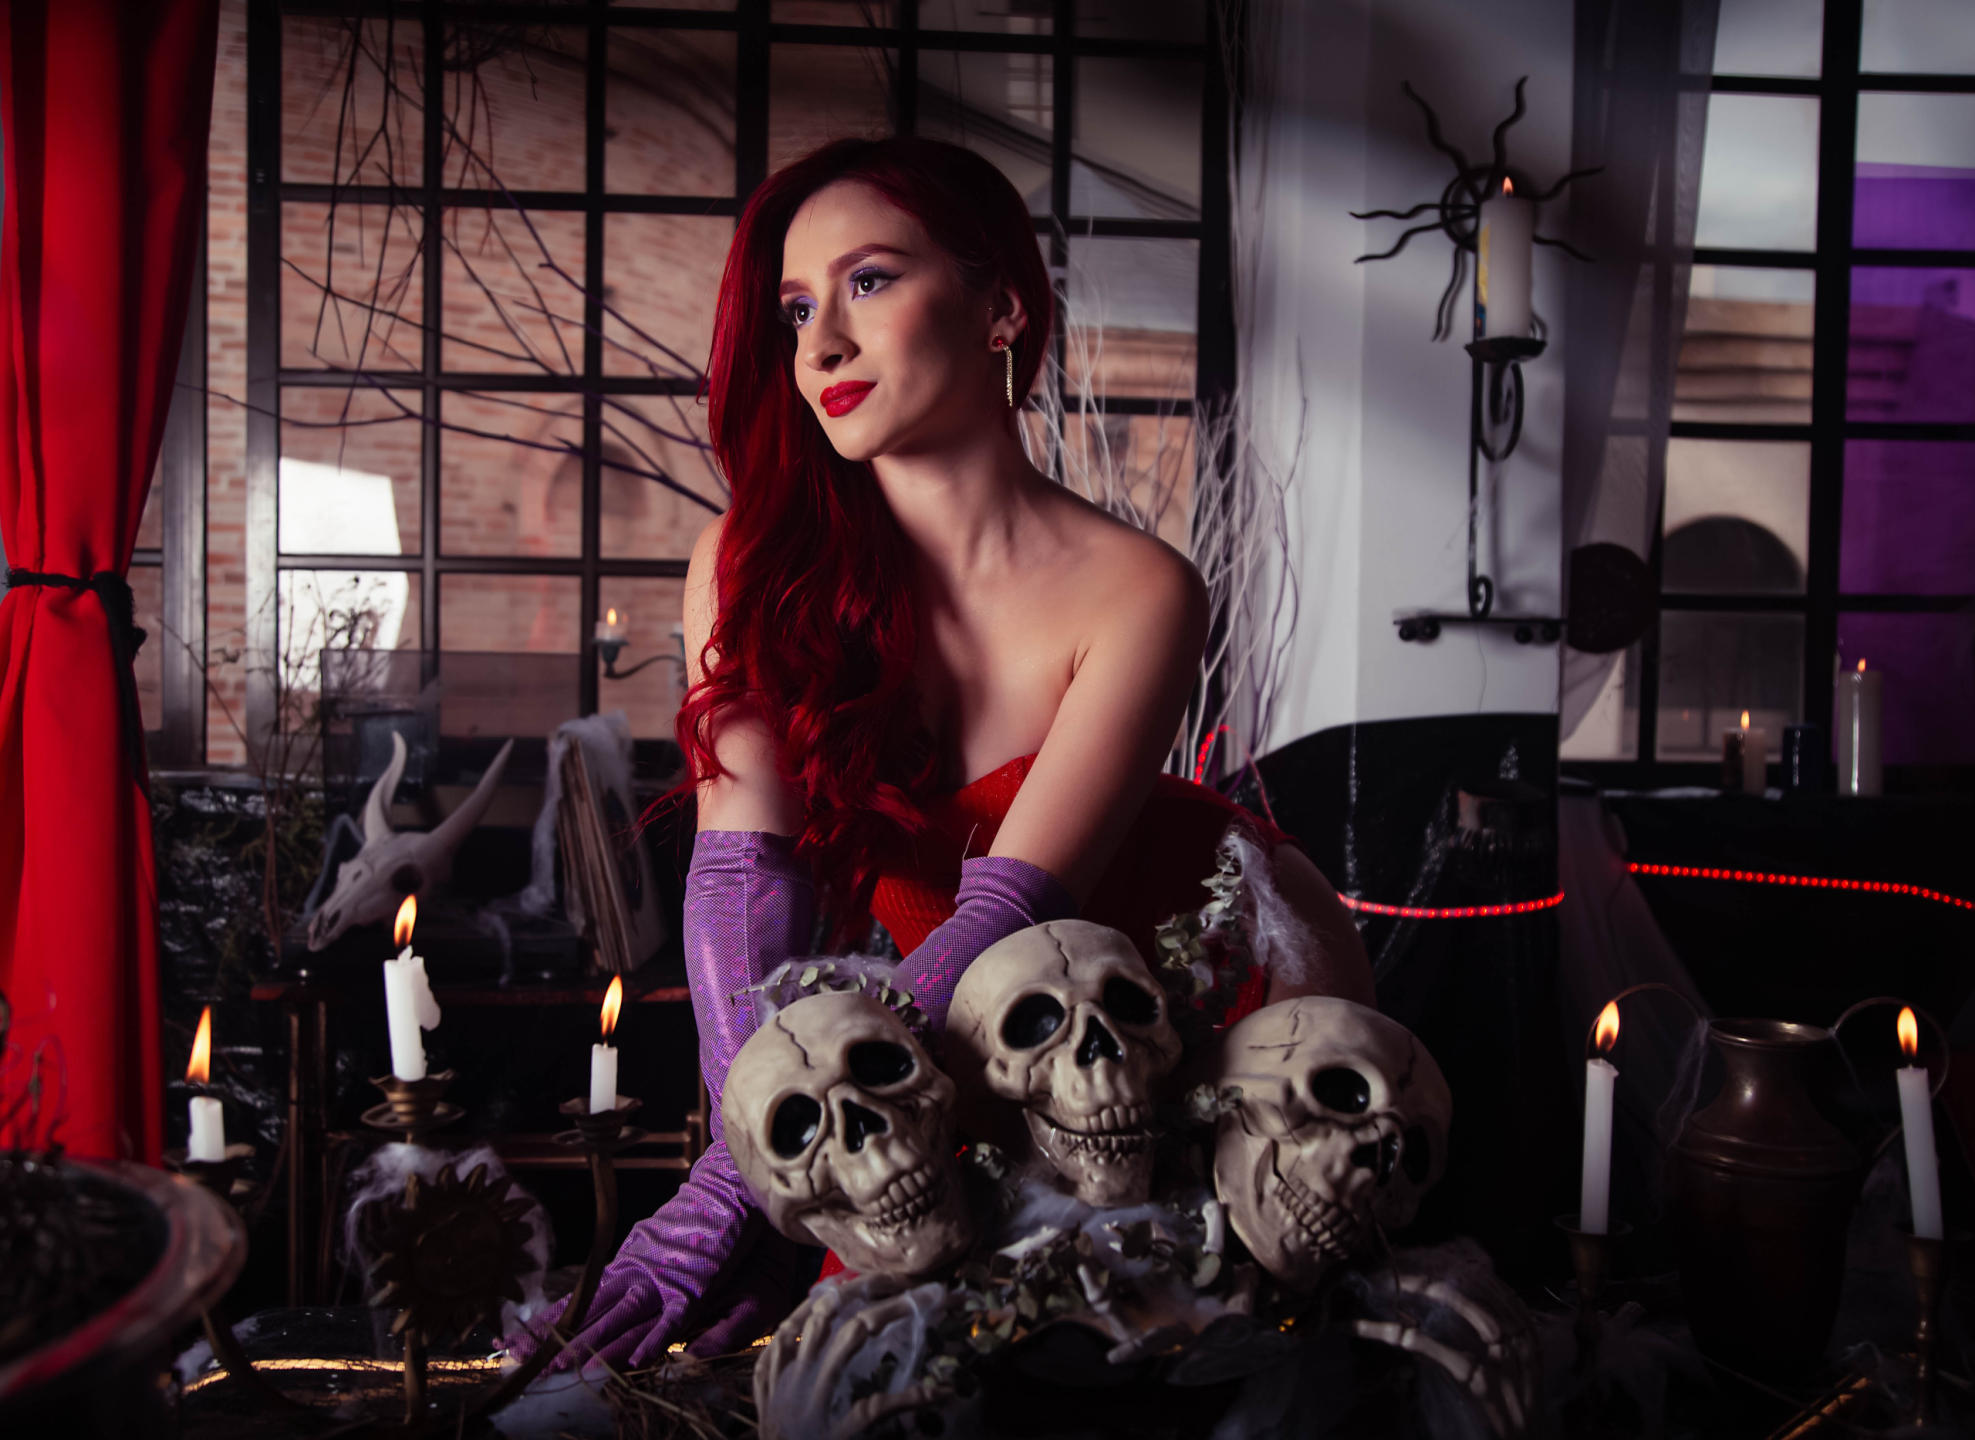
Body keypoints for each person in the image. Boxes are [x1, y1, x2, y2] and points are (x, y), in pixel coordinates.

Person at [521, 135, 1373, 1373]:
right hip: (922, 1045)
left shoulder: (1140, 589)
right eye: (796, 310)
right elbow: (741, 885)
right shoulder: (751, 562)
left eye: (867, 282)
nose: (820, 346)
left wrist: (749, 1177)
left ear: (1001, 308)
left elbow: (1005, 919)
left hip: (1161, 1016)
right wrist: (760, 1163)